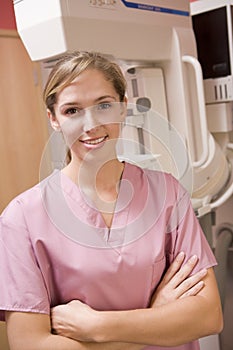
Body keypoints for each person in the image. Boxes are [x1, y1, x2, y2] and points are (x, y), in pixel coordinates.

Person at [0, 51, 223, 350]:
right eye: (72, 111)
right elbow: (28, 344)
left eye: (104, 105)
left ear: (123, 108)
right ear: (53, 119)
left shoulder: (167, 194)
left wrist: (98, 327)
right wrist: (156, 317)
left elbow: (208, 317)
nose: (90, 125)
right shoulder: (22, 218)